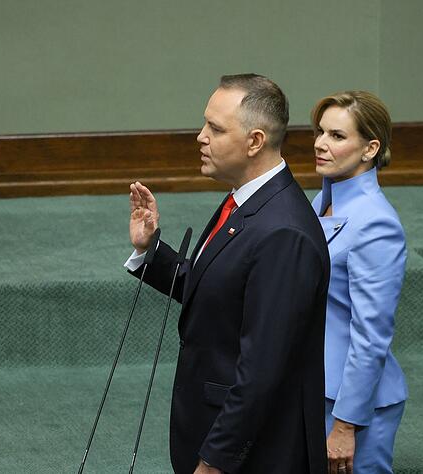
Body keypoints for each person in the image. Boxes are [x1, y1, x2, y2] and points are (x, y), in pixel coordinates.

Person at [125, 74, 330, 473]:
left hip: (253, 458)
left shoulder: (283, 234)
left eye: (215, 128)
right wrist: (150, 250)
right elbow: (218, 291)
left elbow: (261, 371)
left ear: (255, 141)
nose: (200, 137)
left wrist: (214, 462)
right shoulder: (246, 202)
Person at [311, 91, 408, 474]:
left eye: (337, 136)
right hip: (316, 386)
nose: (320, 143)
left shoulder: (376, 223)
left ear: (370, 149)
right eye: (320, 132)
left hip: (350, 405)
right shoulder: (321, 201)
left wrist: (345, 425)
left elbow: (371, 334)